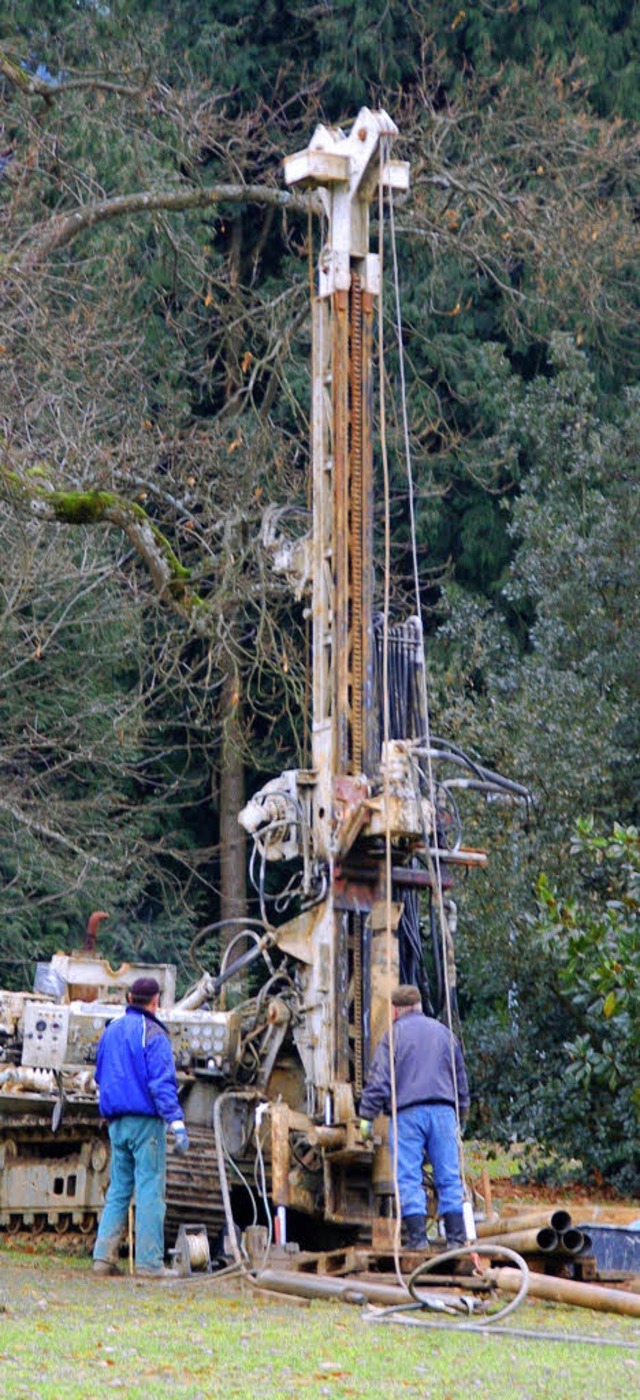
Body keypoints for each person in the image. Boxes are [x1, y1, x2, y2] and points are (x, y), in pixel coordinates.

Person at [359, 984, 469, 1251]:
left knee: (409, 1177)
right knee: (449, 1176)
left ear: (395, 1009)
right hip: (444, 1112)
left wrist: (367, 1116)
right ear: (419, 1005)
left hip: (408, 1114)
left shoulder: (393, 1036)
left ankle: (418, 1241)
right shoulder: (444, 1033)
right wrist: (462, 1115)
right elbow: (461, 1080)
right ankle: (456, 1239)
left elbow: (380, 1081)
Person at [92, 975, 189, 1278]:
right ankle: (149, 1264)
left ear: (129, 999)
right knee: (149, 1188)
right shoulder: (154, 1032)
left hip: (116, 1123)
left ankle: (102, 1259)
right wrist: (176, 1121)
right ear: (155, 1001)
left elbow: (99, 1075)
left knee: (119, 1188)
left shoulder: (111, 1031)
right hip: (145, 1123)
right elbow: (161, 1082)